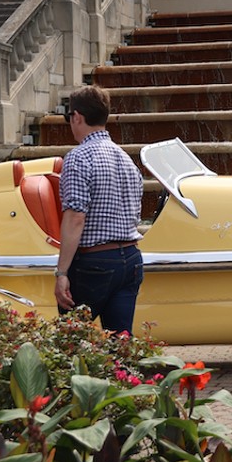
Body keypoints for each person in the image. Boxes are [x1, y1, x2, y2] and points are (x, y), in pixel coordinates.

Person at [55, 85, 144, 335]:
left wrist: (62, 273)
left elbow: (75, 218)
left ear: (77, 117)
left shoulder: (79, 158)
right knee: (120, 344)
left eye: (69, 117)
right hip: (130, 259)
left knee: (71, 342)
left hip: (94, 262)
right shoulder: (126, 159)